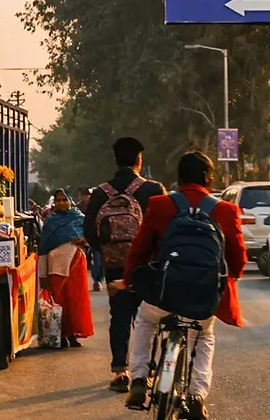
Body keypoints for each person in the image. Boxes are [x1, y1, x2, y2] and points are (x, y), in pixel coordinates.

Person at [123, 151, 247, 419]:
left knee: (144, 320)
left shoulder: (160, 204)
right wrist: (228, 279)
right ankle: (197, 396)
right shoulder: (226, 210)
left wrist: (130, 279)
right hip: (202, 298)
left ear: (179, 178)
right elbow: (238, 259)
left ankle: (139, 380)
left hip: (163, 293)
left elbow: (139, 250)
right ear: (208, 178)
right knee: (204, 335)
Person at [84, 137, 166, 392]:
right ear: (139, 161)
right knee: (147, 318)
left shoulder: (100, 193)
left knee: (119, 316)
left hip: (115, 266)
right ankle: (146, 372)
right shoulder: (153, 190)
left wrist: (108, 252)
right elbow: (166, 228)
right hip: (147, 266)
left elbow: (88, 231)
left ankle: (120, 371)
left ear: (115, 160)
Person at [39, 189, 95, 348]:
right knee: (59, 301)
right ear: (54, 203)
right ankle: (60, 335)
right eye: (58, 200)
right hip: (55, 267)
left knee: (76, 301)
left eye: (64, 200)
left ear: (70, 201)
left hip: (76, 264)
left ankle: (73, 335)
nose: (61, 203)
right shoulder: (50, 221)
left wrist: (84, 240)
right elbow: (43, 248)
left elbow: (91, 238)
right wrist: (42, 274)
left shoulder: (79, 219)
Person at [79, 186, 104, 291]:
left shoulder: (99, 206)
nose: (88, 197)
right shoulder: (79, 208)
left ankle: (98, 280)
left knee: (99, 260)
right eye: (86, 195)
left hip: (98, 237)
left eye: (90, 195)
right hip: (84, 237)